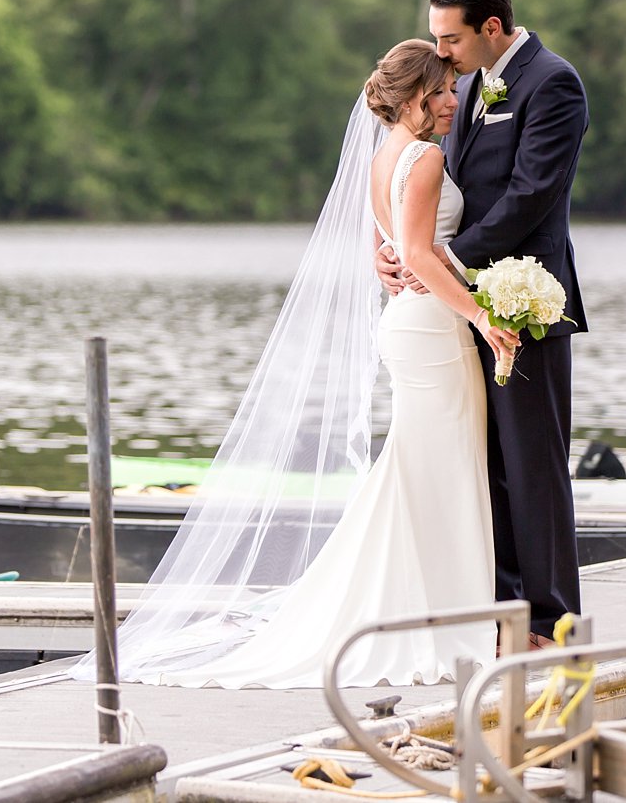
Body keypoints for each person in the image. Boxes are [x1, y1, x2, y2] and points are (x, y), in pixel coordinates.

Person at [71, 40, 517, 690]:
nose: (453, 101)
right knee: (442, 466)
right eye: (443, 92)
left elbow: (389, 241)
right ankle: (437, 615)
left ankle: (428, 609)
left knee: (422, 469)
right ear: (415, 97)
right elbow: (419, 254)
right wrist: (482, 315)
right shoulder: (421, 158)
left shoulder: (382, 154)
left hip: (410, 326)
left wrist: (418, 273)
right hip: (433, 330)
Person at [379, 0, 590, 648]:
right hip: (458, 305)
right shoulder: (461, 85)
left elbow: (530, 196)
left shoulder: (553, 83)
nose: (442, 53)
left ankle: (550, 619)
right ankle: (500, 606)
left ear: (490, 29)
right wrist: (397, 253)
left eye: (451, 38)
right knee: (482, 459)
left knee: (532, 460)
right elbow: (422, 187)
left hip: (526, 300)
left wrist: (439, 258)